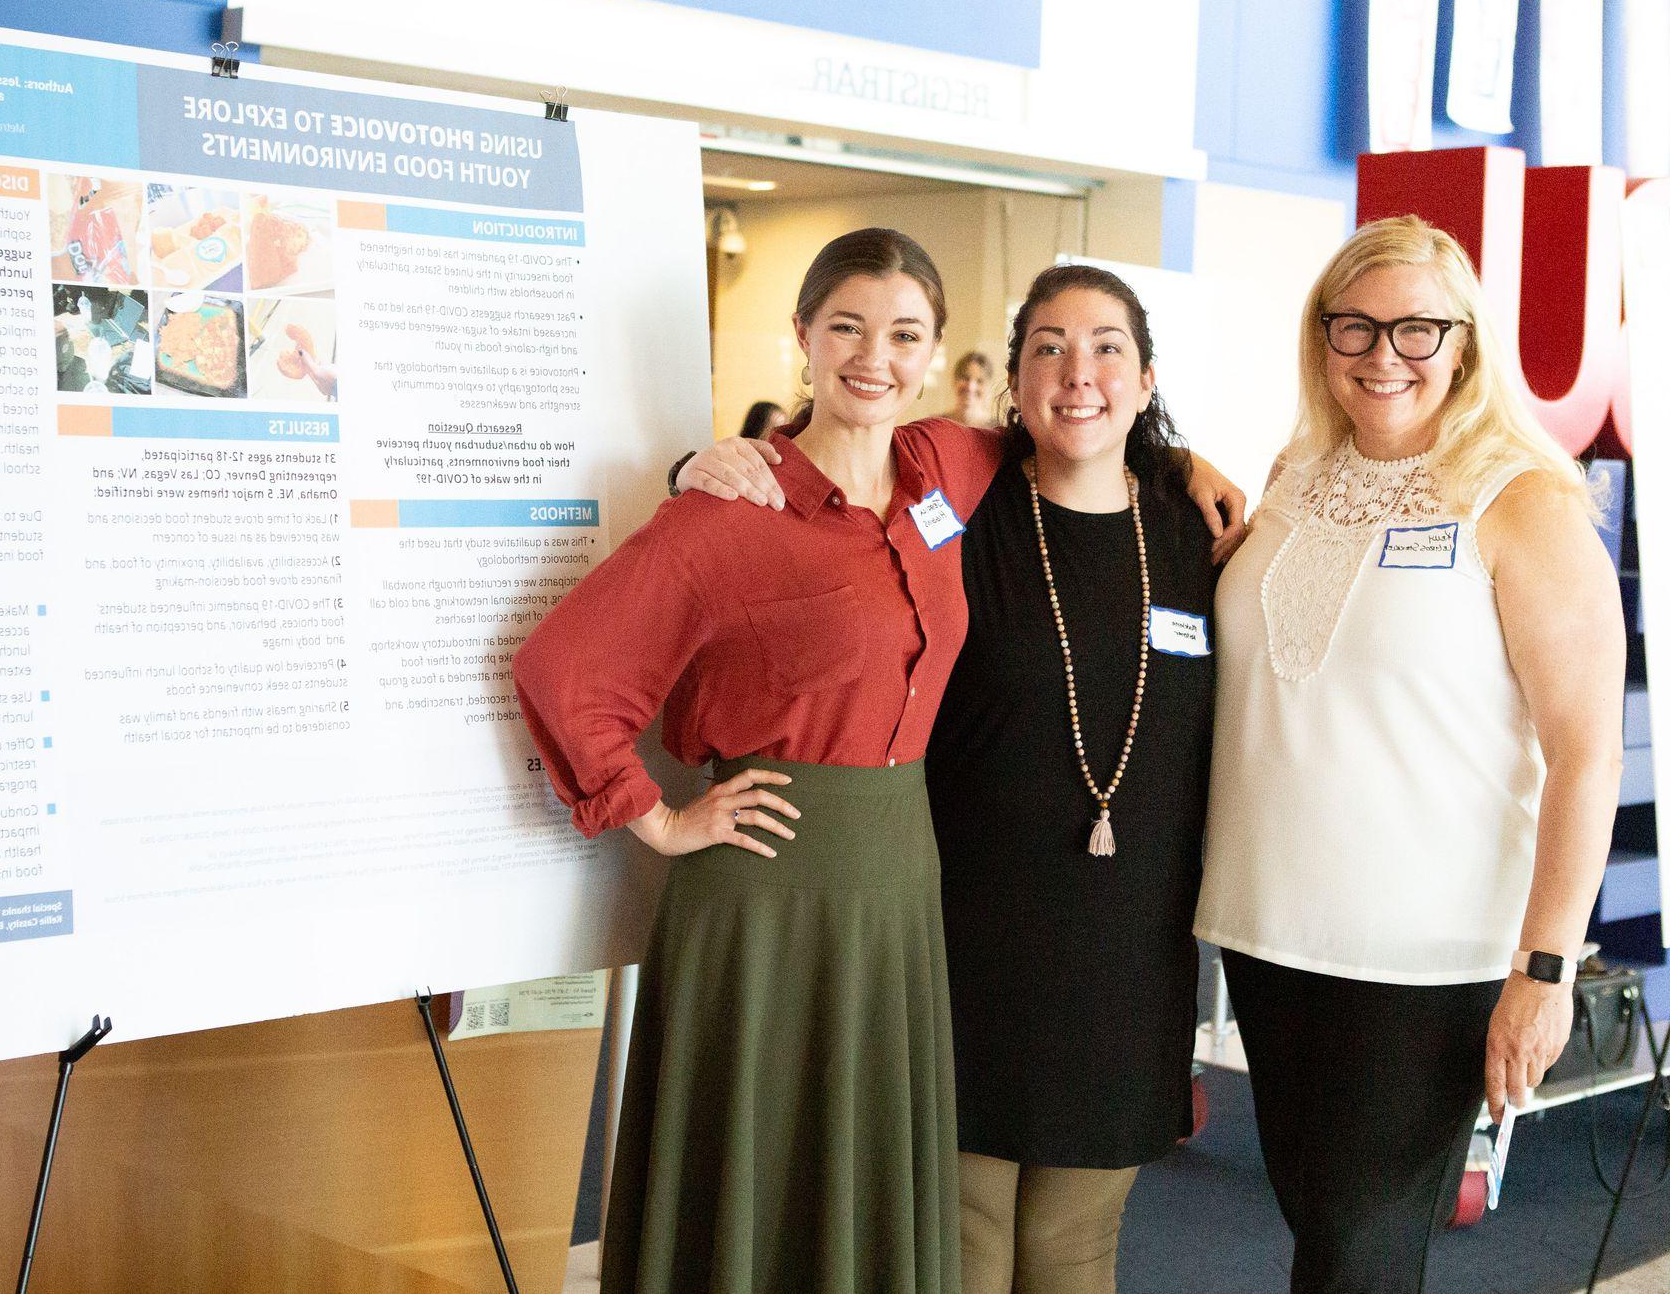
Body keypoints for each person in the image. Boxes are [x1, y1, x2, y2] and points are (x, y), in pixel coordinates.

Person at [683, 266, 1224, 1294]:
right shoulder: (953, 514)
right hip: (963, 934)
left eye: (1106, 347)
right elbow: (815, 506)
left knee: (1076, 1243)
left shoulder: (1198, 534)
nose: (1077, 373)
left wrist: (1190, 461)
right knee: (961, 1239)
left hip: (1127, 949)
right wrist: (700, 464)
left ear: (1146, 377)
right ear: (1010, 383)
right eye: (1047, 349)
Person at [515, 228, 1003, 1294]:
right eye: (846, 327)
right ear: (801, 336)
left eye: (903, 334)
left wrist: (1186, 460)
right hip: (764, 888)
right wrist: (657, 815)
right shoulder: (729, 511)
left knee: (858, 1160)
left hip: (893, 881)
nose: (873, 356)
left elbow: (1062, 434)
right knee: (752, 1164)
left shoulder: (944, 466)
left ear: (932, 353)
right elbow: (563, 667)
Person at [1194, 215, 1624, 1293]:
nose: (1382, 354)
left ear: (1463, 341)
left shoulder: (1519, 499)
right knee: (1318, 1225)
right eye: (1354, 326)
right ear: (1319, 337)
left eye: (1417, 329)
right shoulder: (1294, 473)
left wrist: (1544, 970)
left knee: (1355, 1246)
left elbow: (1585, 754)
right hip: (1266, 933)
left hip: (1424, 957)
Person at [947, 349, 998, 428]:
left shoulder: (998, 431)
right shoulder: (937, 425)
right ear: (954, 380)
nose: (971, 387)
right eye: (965, 378)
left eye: (979, 381)